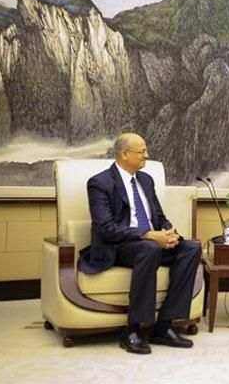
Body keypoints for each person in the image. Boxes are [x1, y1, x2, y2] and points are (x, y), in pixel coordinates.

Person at [78, 133, 202, 355]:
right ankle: (133, 329)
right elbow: (106, 228)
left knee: (191, 247)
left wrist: (168, 233)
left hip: (150, 243)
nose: (147, 155)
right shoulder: (100, 183)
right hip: (118, 247)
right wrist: (148, 235)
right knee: (150, 248)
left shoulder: (145, 180)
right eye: (142, 151)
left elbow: (159, 217)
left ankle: (164, 326)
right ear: (125, 154)